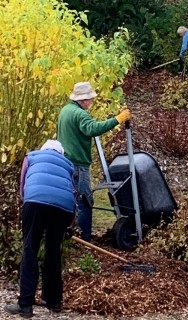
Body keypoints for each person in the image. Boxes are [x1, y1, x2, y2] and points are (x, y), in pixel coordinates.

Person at [4, 140, 75, 318]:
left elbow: (22, 186)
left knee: (30, 249)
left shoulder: (32, 156)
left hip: (35, 200)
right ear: (60, 153)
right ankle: (53, 300)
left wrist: (27, 203)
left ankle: (25, 305)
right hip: (63, 207)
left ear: (43, 149)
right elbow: (73, 192)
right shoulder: (68, 164)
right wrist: (70, 224)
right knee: (53, 250)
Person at [57, 82, 131, 241]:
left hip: (65, 162)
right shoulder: (80, 114)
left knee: (70, 200)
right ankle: (84, 237)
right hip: (78, 164)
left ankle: (70, 233)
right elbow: (93, 129)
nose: (91, 102)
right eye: (90, 99)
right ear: (83, 99)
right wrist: (117, 119)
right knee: (85, 201)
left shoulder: (65, 111)